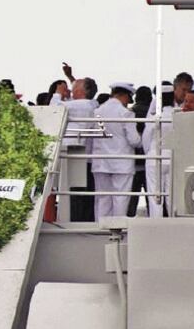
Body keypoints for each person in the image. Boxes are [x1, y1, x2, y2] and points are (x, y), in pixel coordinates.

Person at [91, 83, 141, 220]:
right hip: (122, 163)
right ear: (125, 95)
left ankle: (100, 228)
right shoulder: (125, 113)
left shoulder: (97, 112)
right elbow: (134, 140)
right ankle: (117, 229)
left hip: (100, 162)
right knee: (121, 198)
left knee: (103, 198)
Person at [62, 77, 99, 222]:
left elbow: (55, 108)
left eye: (73, 87)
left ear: (79, 91)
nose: (70, 90)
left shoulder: (82, 105)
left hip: (76, 152)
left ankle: (76, 220)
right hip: (83, 153)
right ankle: (83, 219)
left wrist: (58, 93)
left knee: (76, 192)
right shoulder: (89, 104)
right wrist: (71, 78)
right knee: (82, 191)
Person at [143, 83, 175, 218]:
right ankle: (174, 222)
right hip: (173, 158)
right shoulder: (177, 114)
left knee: (155, 195)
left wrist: (147, 153)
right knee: (171, 195)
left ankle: (156, 223)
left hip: (155, 157)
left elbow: (146, 138)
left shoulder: (154, 116)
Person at [127, 86, 152, 216]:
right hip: (150, 159)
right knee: (153, 197)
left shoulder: (130, 112)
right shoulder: (153, 113)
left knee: (130, 200)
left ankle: (127, 222)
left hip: (133, 160)